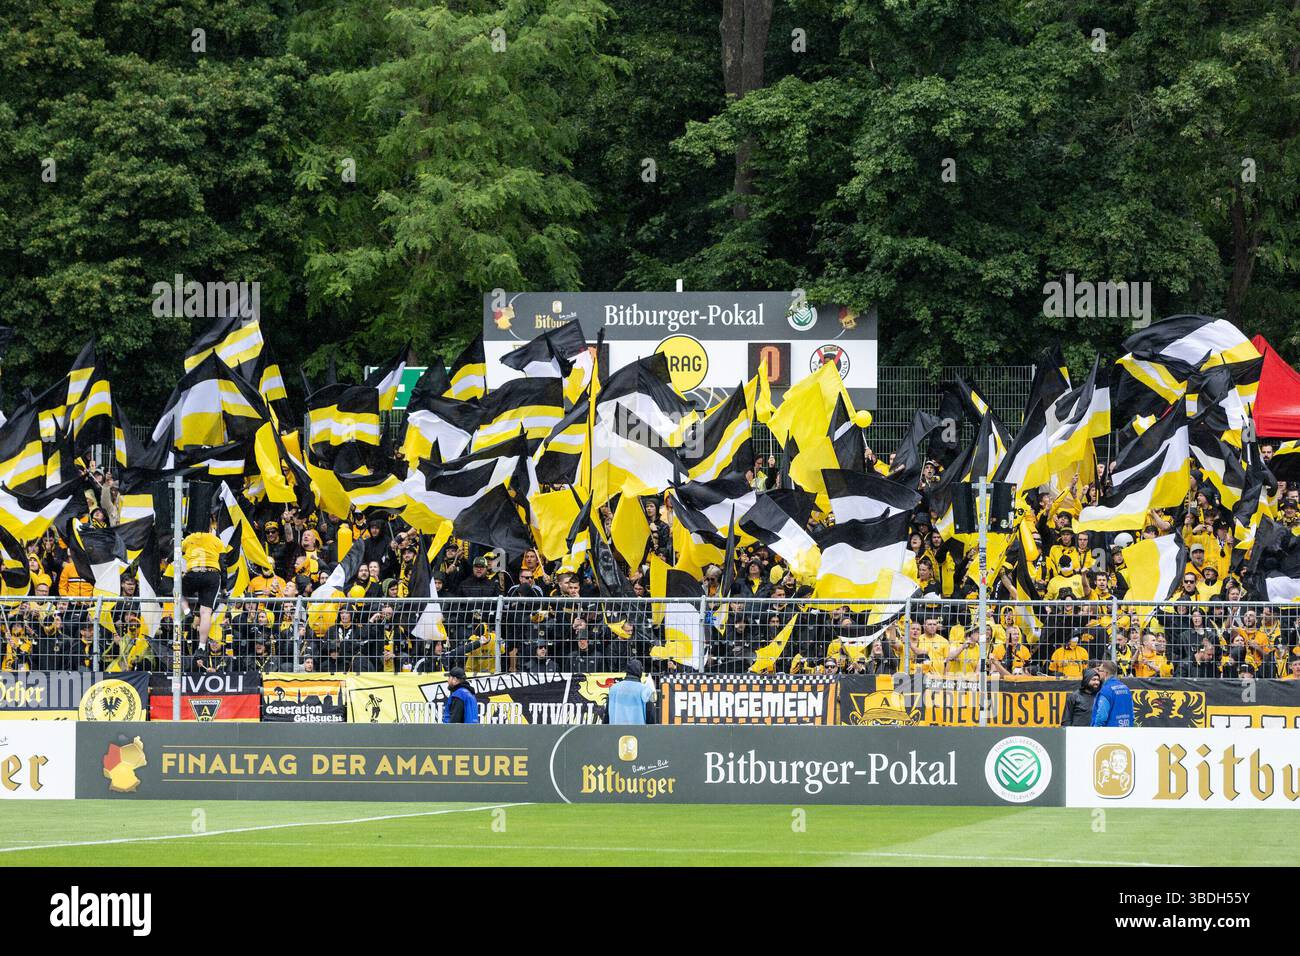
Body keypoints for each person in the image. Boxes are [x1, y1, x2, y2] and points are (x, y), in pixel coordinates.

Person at [604, 658, 656, 725]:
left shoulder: (613, 689)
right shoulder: (645, 689)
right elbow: (650, 715)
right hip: (638, 732)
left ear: (627, 671)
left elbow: (607, 715)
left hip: (616, 732)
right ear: (640, 672)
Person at [1090, 660, 1133, 727]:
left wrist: (1095, 730)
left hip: (1111, 733)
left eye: (1100, 670)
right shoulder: (1126, 688)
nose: (1098, 673)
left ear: (1105, 673)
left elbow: (1101, 717)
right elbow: (1132, 713)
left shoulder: (1106, 691)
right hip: (1126, 730)